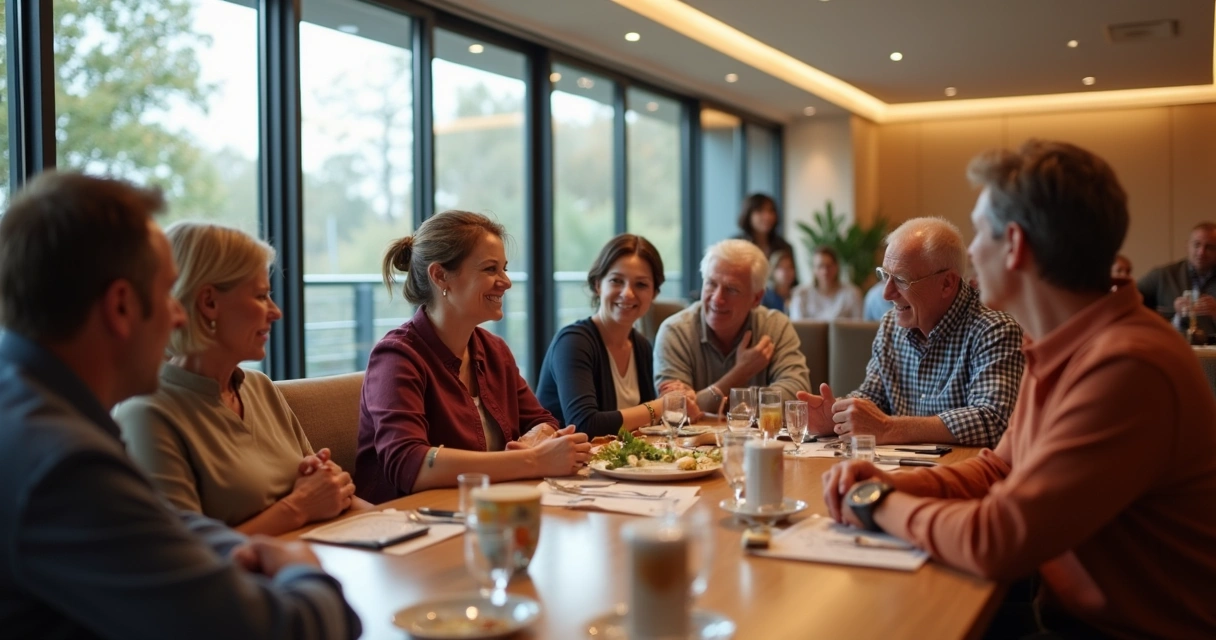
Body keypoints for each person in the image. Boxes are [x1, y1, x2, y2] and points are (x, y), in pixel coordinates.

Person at [822, 140, 1216, 638]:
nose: (968, 255)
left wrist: (876, 501)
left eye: (979, 234)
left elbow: (997, 538)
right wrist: (894, 482)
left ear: (1014, 245)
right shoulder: (1059, 342)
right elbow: (1001, 469)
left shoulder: (1128, 364)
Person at [0, 172, 359, 638]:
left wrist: (232, 544)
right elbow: (282, 630)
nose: (177, 314)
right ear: (121, 306)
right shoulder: (63, 464)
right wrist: (304, 568)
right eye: (167, 292)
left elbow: (166, 524)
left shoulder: (30, 411)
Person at [115, 222, 366, 536]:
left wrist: (400, 524)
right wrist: (298, 506)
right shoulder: (146, 414)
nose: (275, 312)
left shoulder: (259, 387)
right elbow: (181, 557)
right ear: (209, 303)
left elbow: (328, 491)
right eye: (261, 296)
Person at [355, 210, 591, 502]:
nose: (506, 281)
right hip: (409, 527)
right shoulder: (396, 357)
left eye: (504, 268)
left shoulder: (494, 350)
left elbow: (543, 420)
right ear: (440, 276)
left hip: (486, 511)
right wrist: (534, 461)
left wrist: (538, 440)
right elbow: (408, 463)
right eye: (491, 269)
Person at [798, 218, 1024, 447]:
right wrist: (837, 417)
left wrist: (889, 428)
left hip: (961, 475)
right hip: (897, 471)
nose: (886, 294)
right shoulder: (890, 326)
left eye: (901, 279)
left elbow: (993, 420)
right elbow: (873, 397)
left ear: (947, 284)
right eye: (885, 275)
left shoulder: (994, 330)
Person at [536, 234, 696, 437]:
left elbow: (645, 426)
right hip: (565, 467)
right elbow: (584, 424)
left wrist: (679, 398)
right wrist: (662, 405)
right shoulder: (573, 342)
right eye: (616, 281)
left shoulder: (641, 346)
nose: (627, 294)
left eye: (641, 284)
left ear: (654, 293)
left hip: (620, 466)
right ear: (598, 285)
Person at [654, 238, 811, 415]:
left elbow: (796, 395)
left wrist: (709, 400)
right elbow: (674, 409)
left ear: (756, 298)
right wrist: (739, 374)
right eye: (711, 284)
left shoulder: (775, 326)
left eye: (732, 289)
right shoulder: (675, 331)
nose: (717, 299)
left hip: (760, 442)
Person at [1138, 223, 1216, 335]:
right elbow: (1129, 302)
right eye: (1196, 245)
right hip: (1171, 347)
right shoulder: (1163, 275)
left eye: (1209, 247)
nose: (1201, 252)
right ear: (1187, 246)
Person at [789, 246, 863, 320]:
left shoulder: (852, 293)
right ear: (814, 269)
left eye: (829, 266)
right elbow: (796, 326)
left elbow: (858, 327)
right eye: (820, 266)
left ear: (836, 267)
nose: (825, 271)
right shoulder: (801, 294)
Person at [734, 193, 794, 260]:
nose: (767, 217)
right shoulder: (736, 245)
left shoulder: (784, 247)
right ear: (748, 214)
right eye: (760, 211)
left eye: (771, 210)